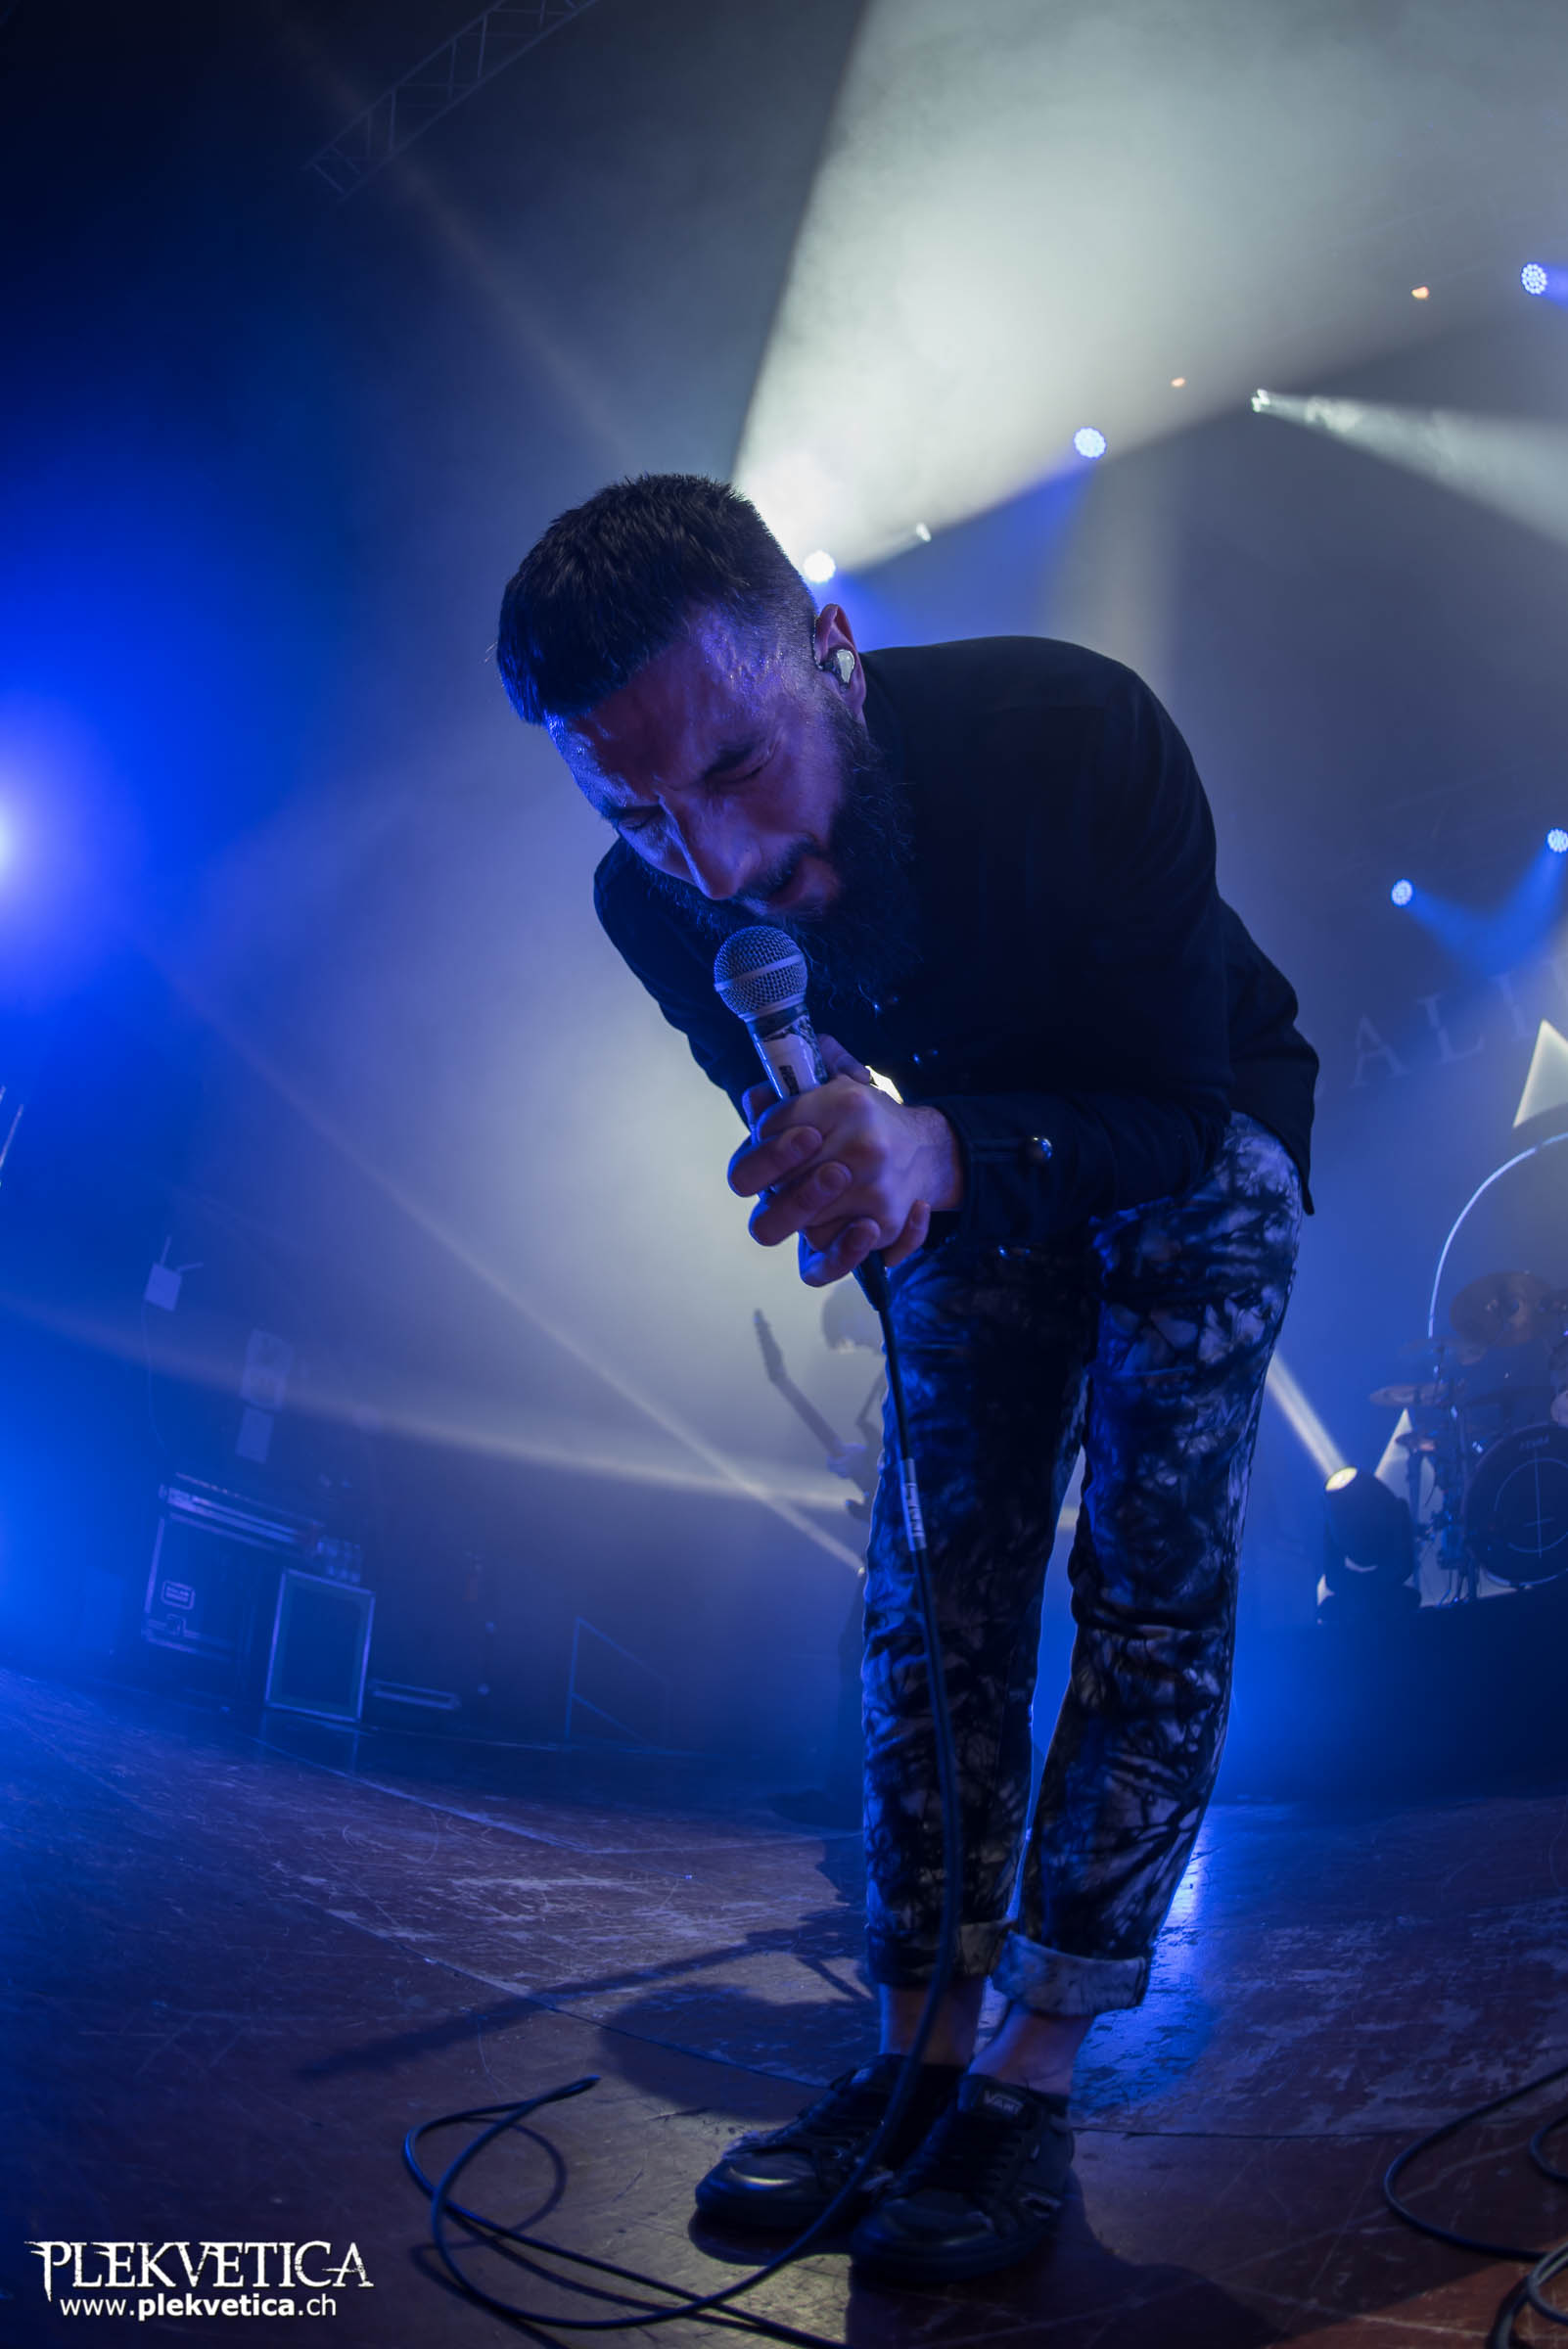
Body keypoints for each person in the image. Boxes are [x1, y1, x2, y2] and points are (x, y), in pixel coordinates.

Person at [495, 474, 1317, 2287]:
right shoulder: (656, 905)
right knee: (932, 1597)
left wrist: (941, 1147)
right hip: (952, 1177)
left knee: (1149, 1584)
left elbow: (1175, 1111)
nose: (713, 862)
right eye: (634, 809)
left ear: (833, 656)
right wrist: (853, 1172)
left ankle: (1029, 2077)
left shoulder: (1074, 730)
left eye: (734, 766)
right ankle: (917, 2058)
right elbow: (789, 1093)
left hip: (1187, 1142)